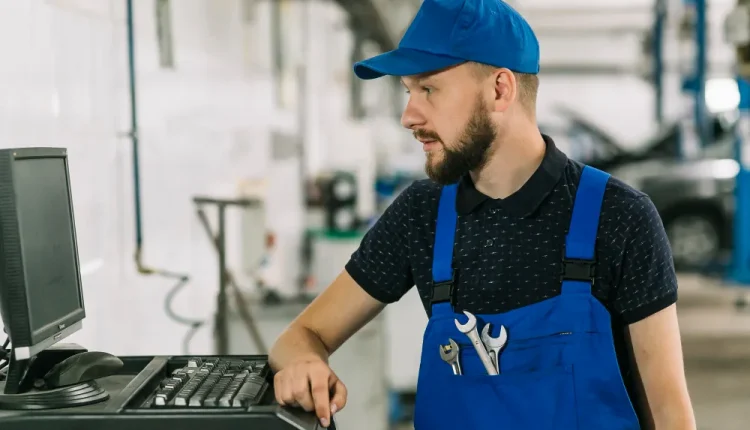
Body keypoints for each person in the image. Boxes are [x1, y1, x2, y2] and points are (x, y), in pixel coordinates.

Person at [268, 0, 697, 428]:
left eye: (428, 90)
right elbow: (300, 337)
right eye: (408, 91)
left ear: (499, 90)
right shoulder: (422, 215)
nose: (409, 116)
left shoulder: (619, 217)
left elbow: (670, 413)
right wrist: (305, 362)